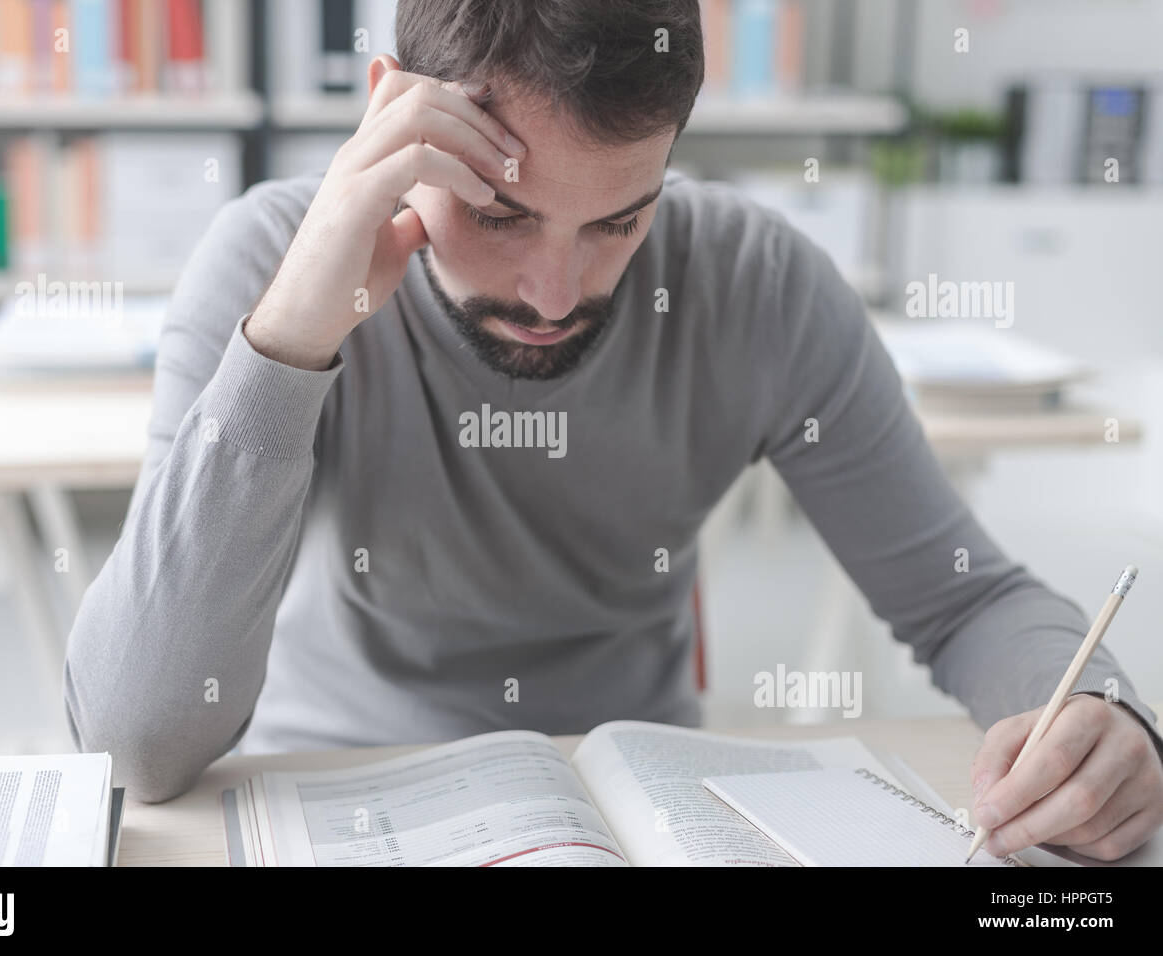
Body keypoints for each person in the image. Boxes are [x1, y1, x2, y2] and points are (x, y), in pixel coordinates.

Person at [63, 0, 1163, 861]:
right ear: (390, 111)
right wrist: (293, 340)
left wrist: (1098, 717)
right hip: (343, 785)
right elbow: (136, 741)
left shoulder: (754, 279)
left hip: (634, 804)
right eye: (498, 213)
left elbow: (964, 591)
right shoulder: (277, 261)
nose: (552, 291)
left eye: (617, 221)